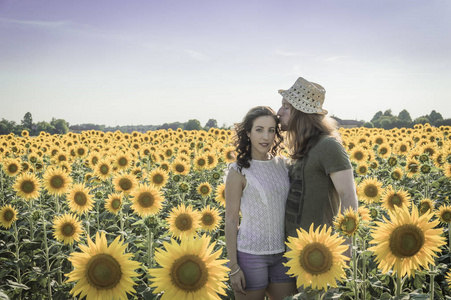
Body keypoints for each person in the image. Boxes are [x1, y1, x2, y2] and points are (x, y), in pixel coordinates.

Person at [225, 106, 297, 300]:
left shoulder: (283, 165)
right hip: (250, 255)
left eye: (271, 130)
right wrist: (233, 267)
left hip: (283, 254)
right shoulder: (237, 171)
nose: (266, 136)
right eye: (259, 130)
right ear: (248, 133)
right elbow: (231, 220)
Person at [276, 77, 359, 242]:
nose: (279, 112)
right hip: (293, 252)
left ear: (301, 114)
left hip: (320, 251)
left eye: (286, 107)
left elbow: (348, 196)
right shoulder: (301, 147)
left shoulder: (328, 146)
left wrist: (346, 245)